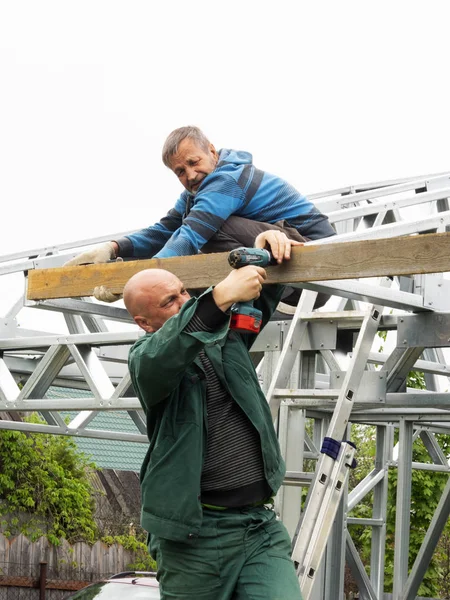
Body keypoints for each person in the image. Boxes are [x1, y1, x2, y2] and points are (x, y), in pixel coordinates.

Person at [123, 229, 303, 600]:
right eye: (170, 301)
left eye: (184, 291)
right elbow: (173, 345)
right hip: (196, 538)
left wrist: (267, 245)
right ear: (144, 322)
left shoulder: (228, 337)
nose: (184, 300)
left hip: (259, 526)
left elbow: (261, 295)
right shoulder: (146, 361)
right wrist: (219, 295)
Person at [66, 126, 335, 307]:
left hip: (314, 263)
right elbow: (165, 229)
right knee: (193, 231)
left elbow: (188, 236)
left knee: (207, 231)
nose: (190, 175)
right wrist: (114, 249)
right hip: (286, 257)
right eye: (180, 171)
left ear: (213, 152)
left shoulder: (227, 181)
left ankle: (273, 292)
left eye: (194, 163)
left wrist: (131, 282)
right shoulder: (199, 192)